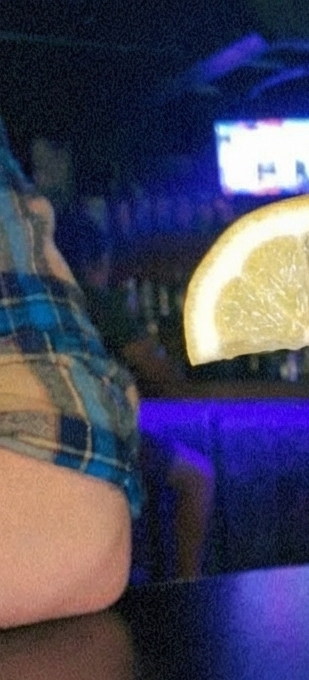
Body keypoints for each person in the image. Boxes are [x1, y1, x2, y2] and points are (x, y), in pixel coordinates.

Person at [0, 116, 142, 628]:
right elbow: (162, 373)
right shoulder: (107, 304)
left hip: (76, 458)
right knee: (197, 473)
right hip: (104, 448)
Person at [54, 209, 214, 579]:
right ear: (99, 259)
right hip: (97, 436)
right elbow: (163, 376)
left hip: (50, 436)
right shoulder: (95, 301)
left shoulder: (51, 304)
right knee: (198, 477)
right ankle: (186, 585)